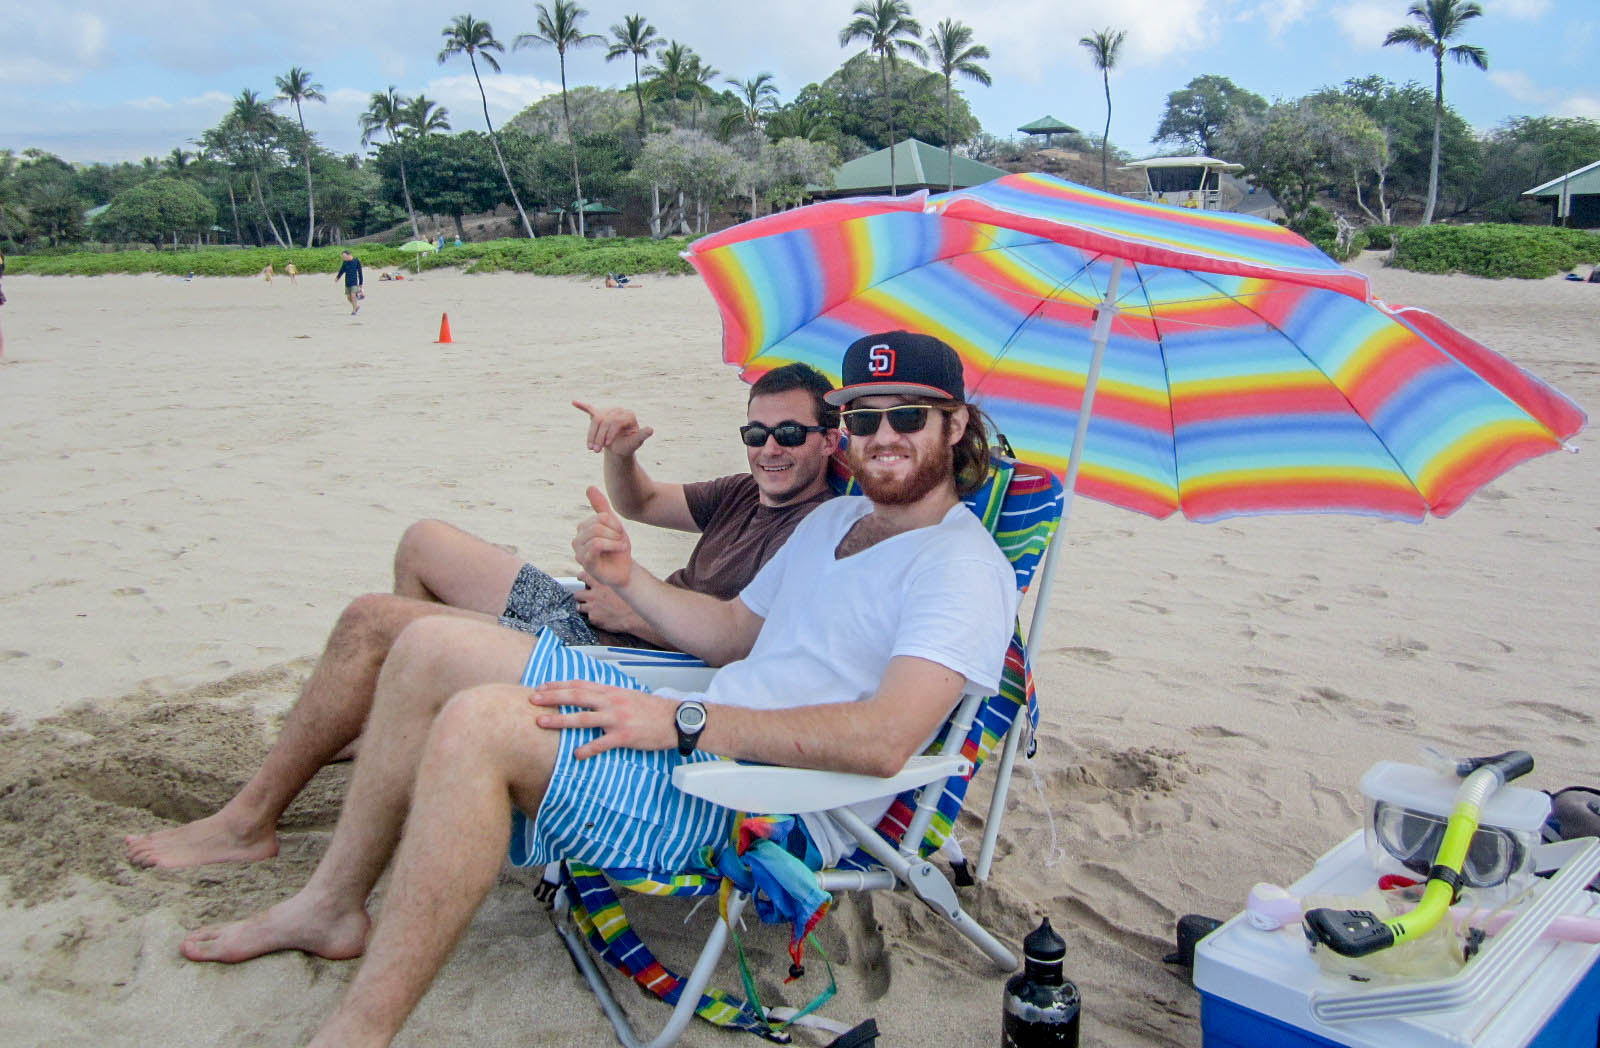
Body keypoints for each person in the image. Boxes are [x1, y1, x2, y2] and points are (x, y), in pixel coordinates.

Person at [176, 332, 1017, 1048]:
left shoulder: (960, 570)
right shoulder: (836, 521)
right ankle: (330, 904)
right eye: (862, 418)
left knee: (478, 725)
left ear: (957, 426)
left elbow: (881, 741)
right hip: (702, 734)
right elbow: (732, 635)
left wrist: (681, 718)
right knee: (427, 643)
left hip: (765, 800)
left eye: (908, 416)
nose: (882, 436)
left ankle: (357, 1032)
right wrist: (632, 581)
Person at [125, 363, 841, 869]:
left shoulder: (827, 527)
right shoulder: (747, 491)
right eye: (755, 434)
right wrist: (622, 456)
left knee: (377, 621)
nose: (768, 450)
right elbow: (641, 503)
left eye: (789, 435)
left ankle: (250, 821)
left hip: (640, 660)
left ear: (831, 438)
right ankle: (387, 730)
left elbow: (758, 647)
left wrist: (642, 611)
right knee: (424, 542)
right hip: (604, 615)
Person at [336, 249, 363, 314]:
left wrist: (361, 283)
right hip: (347, 282)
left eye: (344, 257)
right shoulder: (345, 262)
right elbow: (342, 270)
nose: (344, 258)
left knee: (353, 295)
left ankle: (354, 310)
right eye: (343, 257)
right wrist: (338, 277)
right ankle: (356, 306)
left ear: (349, 255)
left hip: (354, 281)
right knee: (348, 297)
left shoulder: (356, 261)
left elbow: (360, 272)